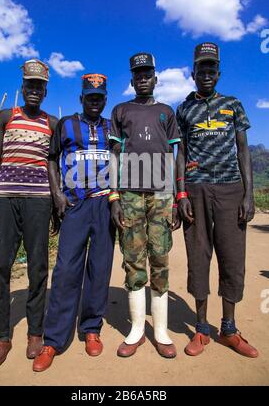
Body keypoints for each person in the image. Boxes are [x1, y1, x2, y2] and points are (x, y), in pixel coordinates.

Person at [176, 42, 258, 358]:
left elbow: (243, 150)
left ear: (218, 73)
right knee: (198, 256)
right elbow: (180, 153)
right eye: (201, 69)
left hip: (230, 188)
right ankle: (201, 328)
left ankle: (229, 328)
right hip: (195, 190)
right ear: (192, 72)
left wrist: (248, 194)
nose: (206, 74)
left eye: (211, 69)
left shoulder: (233, 105)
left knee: (232, 257)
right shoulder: (184, 109)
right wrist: (181, 193)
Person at [33, 73, 116, 372]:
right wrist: (56, 193)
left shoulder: (111, 126)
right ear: (81, 98)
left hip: (105, 203)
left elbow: (119, 161)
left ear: (105, 99)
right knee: (67, 268)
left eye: (100, 97)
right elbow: (52, 159)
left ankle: (91, 328)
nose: (95, 101)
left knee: (100, 266)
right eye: (90, 97)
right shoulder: (66, 124)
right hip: (75, 204)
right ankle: (53, 339)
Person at [0, 59, 59, 367]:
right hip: (5, 199)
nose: (34, 91)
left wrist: (55, 202)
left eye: (40, 86)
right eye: (30, 85)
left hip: (38, 201)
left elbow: (52, 164)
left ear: (46, 90)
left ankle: (35, 333)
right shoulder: (5, 116)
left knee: (38, 267)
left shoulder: (51, 122)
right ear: (22, 86)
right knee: (1, 266)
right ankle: (1, 336)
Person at [109, 53, 181, 358]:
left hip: (163, 196)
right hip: (130, 195)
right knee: (134, 260)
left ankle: (161, 331)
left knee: (160, 259)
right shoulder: (121, 110)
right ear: (132, 79)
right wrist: (114, 196)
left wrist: (178, 197)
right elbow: (114, 154)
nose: (142, 78)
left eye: (147, 73)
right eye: (137, 74)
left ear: (155, 78)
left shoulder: (167, 112)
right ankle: (137, 328)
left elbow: (176, 159)